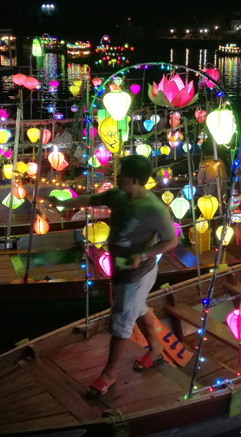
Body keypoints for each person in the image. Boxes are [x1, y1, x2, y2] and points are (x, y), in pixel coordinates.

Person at [57, 155, 178, 399]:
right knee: (137, 307)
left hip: (138, 272)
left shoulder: (154, 209)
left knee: (121, 319)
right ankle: (155, 348)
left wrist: (143, 255)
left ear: (133, 180)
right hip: (119, 267)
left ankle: (109, 374)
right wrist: (61, 204)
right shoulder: (118, 196)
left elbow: (171, 239)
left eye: (120, 174)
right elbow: (91, 199)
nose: (116, 177)